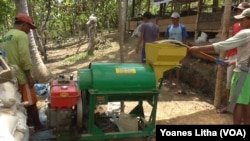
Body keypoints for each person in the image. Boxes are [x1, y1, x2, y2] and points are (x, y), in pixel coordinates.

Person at [189, 8, 250, 125]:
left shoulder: (245, 33)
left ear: (249, 20)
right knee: (247, 105)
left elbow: (223, 45)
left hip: (243, 75)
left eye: (242, 19)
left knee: (237, 104)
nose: (240, 22)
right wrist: (232, 62)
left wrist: (198, 48)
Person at [0, 13, 46, 131]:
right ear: (24, 25)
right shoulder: (21, 35)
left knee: (20, 102)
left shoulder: (6, 36)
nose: (29, 31)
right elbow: (24, 57)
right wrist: (28, 75)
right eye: (29, 28)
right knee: (31, 101)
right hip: (21, 75)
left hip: (10, 76)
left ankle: (28, 123)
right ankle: (37, 125)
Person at [218, 2, 250, 114]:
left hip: (243, 60)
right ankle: (229, 106)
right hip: (233, 56)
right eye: (238, 10)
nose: (238, 12)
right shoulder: (236, 25)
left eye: (241, 10)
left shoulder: (247, 29)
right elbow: (232, 41)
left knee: (242, 89)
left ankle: (238, 111)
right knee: (230, 83)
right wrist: (229, 56)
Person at [164, 12, 188, 85]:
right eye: (172, 18)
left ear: (178, 19)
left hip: (178, 48)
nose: (173, 20)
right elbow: (166, 37)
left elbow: (184, 38)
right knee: (170, 64)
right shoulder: (169, 27)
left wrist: (184, 47)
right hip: (171, 48)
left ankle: (177, 81)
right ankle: (170, 80)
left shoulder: (182, 28)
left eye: (174, 18)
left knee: (178, 65)